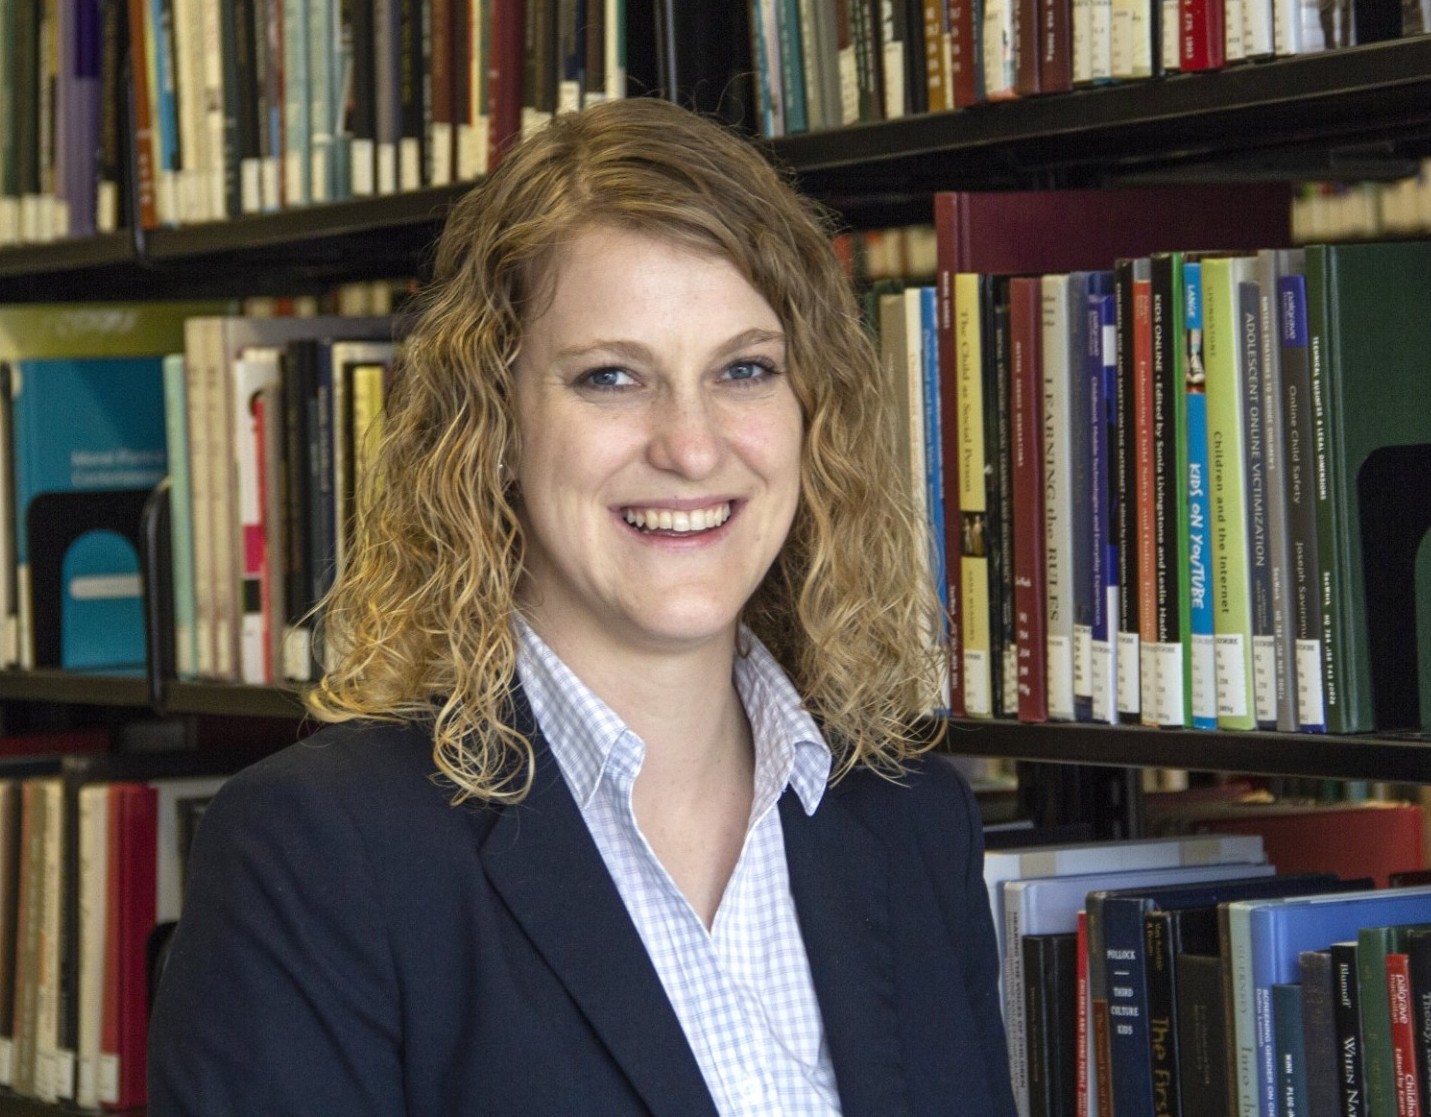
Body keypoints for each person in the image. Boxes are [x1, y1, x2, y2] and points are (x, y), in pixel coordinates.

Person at [147, 96, 1016, 1117]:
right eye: (611, 377)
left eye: (745, 369)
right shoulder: (318, 851)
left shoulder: (912, 817)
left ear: (808, 410)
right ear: (497, 427)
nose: (691, 446)